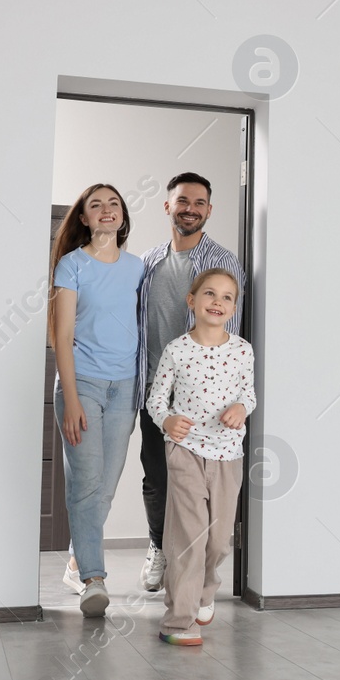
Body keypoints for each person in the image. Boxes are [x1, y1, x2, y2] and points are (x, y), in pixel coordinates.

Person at [133, 173, 244, 592]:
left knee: (207, 489)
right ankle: (159, 546)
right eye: (182, 201)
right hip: (155, 392)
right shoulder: (148, 262)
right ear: (168, 207)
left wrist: (237, 399)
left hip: (207, 400)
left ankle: (200, 572)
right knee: (156, 476)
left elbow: (234, 331)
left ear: (209, 211)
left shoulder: (225, 262)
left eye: (199, 202)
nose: (190, 208)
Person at [146, 268, 255, 645]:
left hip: (229, 455)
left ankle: (205, 591)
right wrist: (168, 419)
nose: (218, 302)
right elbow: (156, 400)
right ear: (191, 301)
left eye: (227, 297)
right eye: (210, 294)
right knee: (189, 539)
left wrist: (242, 407)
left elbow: (249, 394)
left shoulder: (242, 350)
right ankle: (178, 621)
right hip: (186, 452)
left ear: (234, 307)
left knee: (219, 540)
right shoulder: (177, 350)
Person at [50, 183, 144, 617]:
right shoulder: (71, 266)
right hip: (82, 384)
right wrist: (70, 400)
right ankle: (94, 579)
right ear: (84, 218)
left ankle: (75, 559)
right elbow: (61, 336)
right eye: (96, 205)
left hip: (124, 388)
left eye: (114, 204)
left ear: (122, 216)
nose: (106, 210)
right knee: (86, 486)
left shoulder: (138, 268)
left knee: (103, 490)